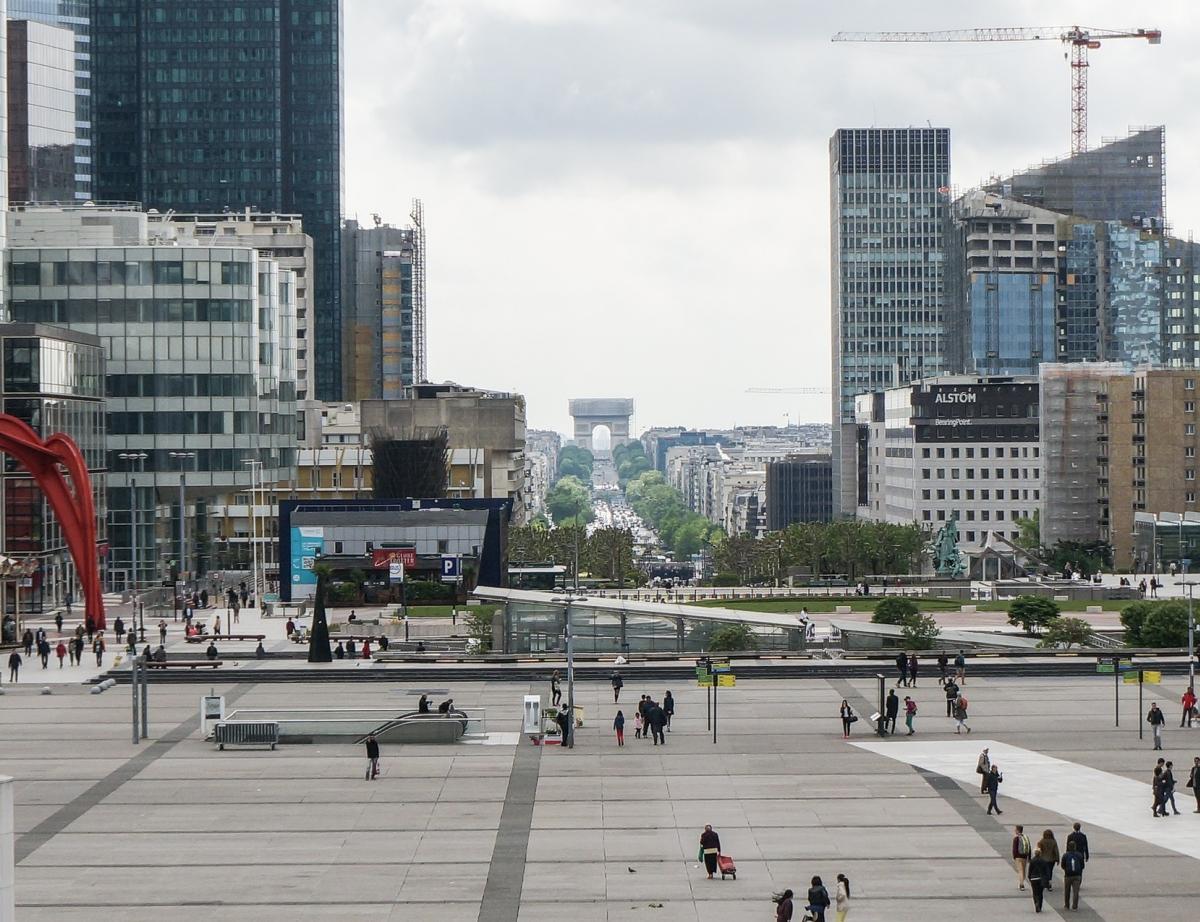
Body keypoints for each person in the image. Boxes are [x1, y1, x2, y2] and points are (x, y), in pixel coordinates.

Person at [1060, 839, 1085, 911]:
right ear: (1075, 847)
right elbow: (1082, 865)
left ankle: (1067, 905)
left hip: (1068, 875)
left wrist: (1066, 870)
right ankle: (1074, 906)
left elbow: (1063, 865)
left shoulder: (1065, 855)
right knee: (1075, 891)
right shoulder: (1079, 855)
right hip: (1077, 875)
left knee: (1067, 891)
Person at [1028, 847, 1051, 912]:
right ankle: (1040, 906)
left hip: (1033, 878)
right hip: (1041, 878)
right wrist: (1048, 879)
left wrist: (1029, 877)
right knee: (1040, 893)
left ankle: (1036, 902)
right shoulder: (1043, 861)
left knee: (1035, 893)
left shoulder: (1032, 861)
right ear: (1040, 853)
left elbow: (1030, 870)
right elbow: (1047, 871)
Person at [1012, 825, 1032, 890]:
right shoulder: (1026, 837)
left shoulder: (1016, 838)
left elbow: (1014, 849)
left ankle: (1021, 884)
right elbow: (1029, 848)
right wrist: (1029, 857)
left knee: (1020, 870)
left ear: (1018, 830)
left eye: (1015, 829)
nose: (1015, 831)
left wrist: (1014, 857)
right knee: (1023, 870)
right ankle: (1022, 882)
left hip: (1018, 857)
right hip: (1025, 856)